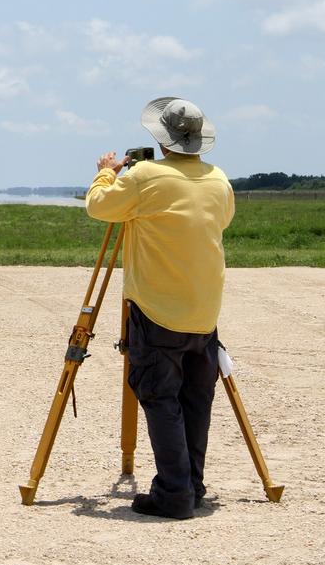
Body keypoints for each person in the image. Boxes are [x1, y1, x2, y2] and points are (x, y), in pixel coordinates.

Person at [85, 97, 235, 520]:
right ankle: (192, 484)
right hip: (204, 309)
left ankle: (174, 493)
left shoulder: (146, 175)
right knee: (195, 399)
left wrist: (105, 174)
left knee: (159, 396)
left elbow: (100, 208)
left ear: (162, 139)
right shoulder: (219, 179)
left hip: (155, 308)